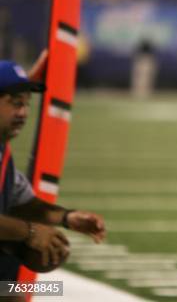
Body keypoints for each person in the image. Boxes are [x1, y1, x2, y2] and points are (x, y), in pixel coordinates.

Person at [0, 55, 106, 286]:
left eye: (27, 103)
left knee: (10, 284)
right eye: (16, 102)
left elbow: (23, 202)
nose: (23, 113)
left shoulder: (3, 155)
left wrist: (67, 217)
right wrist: (29, 232)